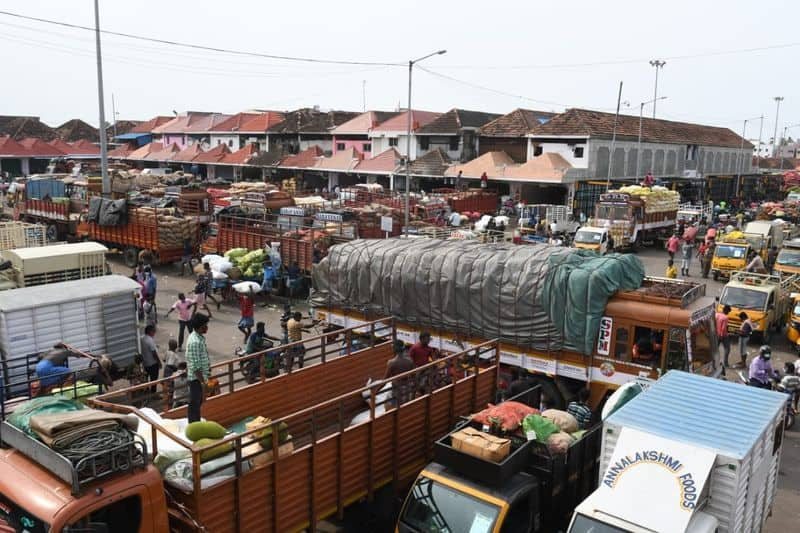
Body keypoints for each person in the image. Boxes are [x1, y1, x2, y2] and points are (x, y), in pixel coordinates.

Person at [186, 313, 211, 423]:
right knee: (195, 404)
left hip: (200, 378)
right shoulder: (195, 342)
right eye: (205, 325)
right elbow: (195, 366)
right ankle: (194, 426)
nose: (207, 327)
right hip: (196, 380)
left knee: (198, 403)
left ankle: (196, 423)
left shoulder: (199, 338)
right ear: (200, 326)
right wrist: (203, 382)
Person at [383, 340, 415, 406]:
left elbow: (384, 381)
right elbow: (414, 377)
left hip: (396, 390)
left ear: (394, 349)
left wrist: (375, 391)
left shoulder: (391, 363)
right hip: (406, 389)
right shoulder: (410, 361)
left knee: (387, 404)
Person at [140, 325, 162, 389]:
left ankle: (147, 391)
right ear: (150, 331)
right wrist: (159, 362)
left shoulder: (141, 338)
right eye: (154, 331)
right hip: (152, 363)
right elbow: (154, 353)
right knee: (154, 380)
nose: (154, 333)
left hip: (145, 363)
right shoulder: (150, 340)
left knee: (145, 379)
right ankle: (153, 393)